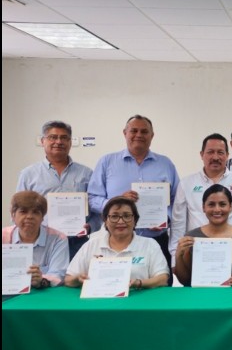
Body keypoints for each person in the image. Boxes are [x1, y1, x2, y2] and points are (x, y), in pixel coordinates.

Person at [87, 114, 179, 281]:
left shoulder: (165, 164)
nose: (139, 135)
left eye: (144, 131)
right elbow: (92, 198)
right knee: (114, 285)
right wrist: (116, 203)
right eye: (134, 131)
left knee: (160, 287)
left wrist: (166, 218)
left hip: (157, 239)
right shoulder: (107, 162)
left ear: (152, 135)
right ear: (125, 133)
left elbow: (177, 200)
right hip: (116, 242)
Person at [169, 133, 232, 269]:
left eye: (220, 152)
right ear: (201, 154)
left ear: (227, 155)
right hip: (195, 255)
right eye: (210, 152)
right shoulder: (186, 183)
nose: (215, 157)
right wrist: (175, 260)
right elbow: (178, 224)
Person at [16, 120, 99, 258]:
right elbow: (18, 210)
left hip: (76, 242)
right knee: (41, 273)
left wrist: (90, 226)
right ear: (43, 141)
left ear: (70, 142)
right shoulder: (28, 174)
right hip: (41, 243)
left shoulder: (87, 174)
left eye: (64, 138)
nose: (58, 141)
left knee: (78, 273)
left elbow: (97, 210)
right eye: (53, 137)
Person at [65, 196, 170, 289]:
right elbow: (68, 280)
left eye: (127, 216)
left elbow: (162, 279)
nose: (121, 221)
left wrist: (139, 283)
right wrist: (77, 278)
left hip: (139, 300)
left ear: (135, 220)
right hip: (98, 301)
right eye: (114, 216)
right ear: (105, 221)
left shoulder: (150, 245)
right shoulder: (91, 245)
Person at [174, 184, 232, 287]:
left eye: (222, 204)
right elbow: (184, 279)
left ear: (230, 207)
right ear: (203, 207)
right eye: (211, 204)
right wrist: (178, 255)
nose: (217, 209)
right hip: (199, 294)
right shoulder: (191, 237)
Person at [2, 191, 69, 288]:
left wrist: (41, 280)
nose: (29, 216)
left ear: (42, 218)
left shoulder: (58, 239)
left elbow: (58, 274)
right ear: (13, 215)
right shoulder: (3, 236)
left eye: (35, 212)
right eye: (23, 211)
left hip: (42, 292)